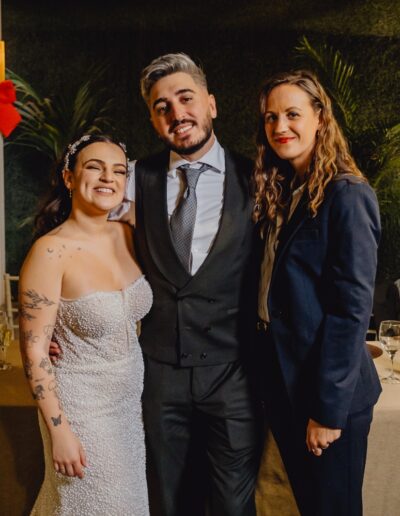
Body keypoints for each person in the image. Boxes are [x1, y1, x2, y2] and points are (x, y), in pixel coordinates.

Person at [114, 52, 262, 516]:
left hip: (234, 375)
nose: (176, 113)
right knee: (168, 502)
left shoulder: (259, 177)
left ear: (211, 104)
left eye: (185, 98)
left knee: (233, 507)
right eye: (162, 107)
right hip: (160, 376)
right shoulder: (132, 178)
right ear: (153, 120)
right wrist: (61, 319)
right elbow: (79, 238)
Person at [253, 70, 382, 515]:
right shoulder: (286, 191)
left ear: (320, 118)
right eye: (271, 117)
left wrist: (327, 411)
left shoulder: (347, 195)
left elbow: (351, 311)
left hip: (327, 397)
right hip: (287, 387)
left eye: (292, 114)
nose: (280, 127)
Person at [19, 134, 151, 515]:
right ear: (69, 177)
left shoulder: (129, 234)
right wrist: (59, 430)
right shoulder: (50, 252)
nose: (108, 177)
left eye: (119, 171)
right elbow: (34, 350)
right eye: (95, 167)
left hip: (129, 408)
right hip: (80, 409)